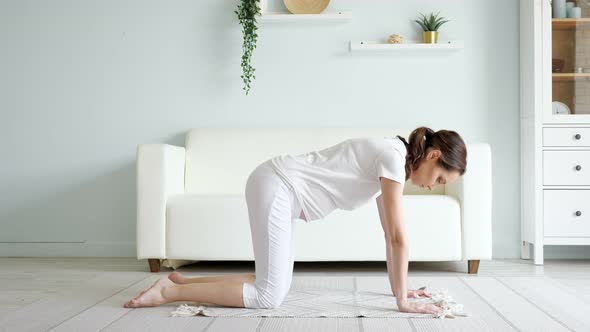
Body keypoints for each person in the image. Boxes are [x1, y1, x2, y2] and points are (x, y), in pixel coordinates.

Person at [123, 126, 467, 315]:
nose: (431, 187)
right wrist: (403, 303)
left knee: (271, 282)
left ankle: (181, 284)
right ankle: (167, 294)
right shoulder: (392, 157)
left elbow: (388, 237)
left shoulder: (392, 160)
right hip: (278, 185)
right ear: (434, 156)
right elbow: (398, 238)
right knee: (269, 295)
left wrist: (399, 291)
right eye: (439, 179)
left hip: (278, 187)